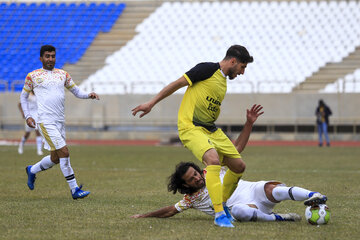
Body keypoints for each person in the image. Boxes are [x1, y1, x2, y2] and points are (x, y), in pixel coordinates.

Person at [132, 45, 255, 227]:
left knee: (238, 166)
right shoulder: (206, 69)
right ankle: (219, 213)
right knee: (212, 160)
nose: (242, 72)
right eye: (242, 67)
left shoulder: (223, 83)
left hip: (211, 129)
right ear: (233, 61)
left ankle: (221, 203)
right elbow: (177, 84)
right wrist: (151, 103)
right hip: (191, 126)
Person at [20, 45, 99, 199]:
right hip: (45, 121)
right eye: (47, 56)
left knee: (56, 158)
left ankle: (32, 170)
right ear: (41, 58)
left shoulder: (62, 74)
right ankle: (74, 189)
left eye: (53, 56)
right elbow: (23, 96)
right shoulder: (33, 76)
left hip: (60, 121)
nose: (50, 59)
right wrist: (28, 116)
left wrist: (88, 94)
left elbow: (76, 91)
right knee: (65, 152)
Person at [130, 161, 328, 223]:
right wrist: (144, 215)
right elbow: (170, 210)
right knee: (239, 212)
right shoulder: (191, 199)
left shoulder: (212, 170)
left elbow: (236, 149)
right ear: (187, 185)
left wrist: (248, 124)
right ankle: (279, 218)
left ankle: (313, 195)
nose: (198, 177)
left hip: (254, 191)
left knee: (271, 188)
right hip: (249, 208)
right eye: (192, 179)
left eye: (196, 173)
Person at [17, 91, 44, 156]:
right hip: (29, 114)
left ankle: (39, 150)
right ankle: (21, 145)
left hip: (37, 114)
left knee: (37, 131)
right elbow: (19, 104)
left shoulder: (38, 93)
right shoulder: (28, 94)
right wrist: (23, 113)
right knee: (27, 133)